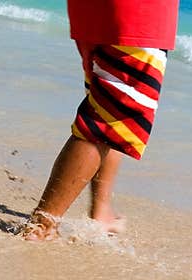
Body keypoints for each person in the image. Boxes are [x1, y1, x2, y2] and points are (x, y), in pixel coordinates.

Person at [23, 0, 180, 241]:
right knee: (110, 121)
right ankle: (43, 225)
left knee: (105, 107)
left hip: (92, 12)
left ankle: (101, 211)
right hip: (139, 16)